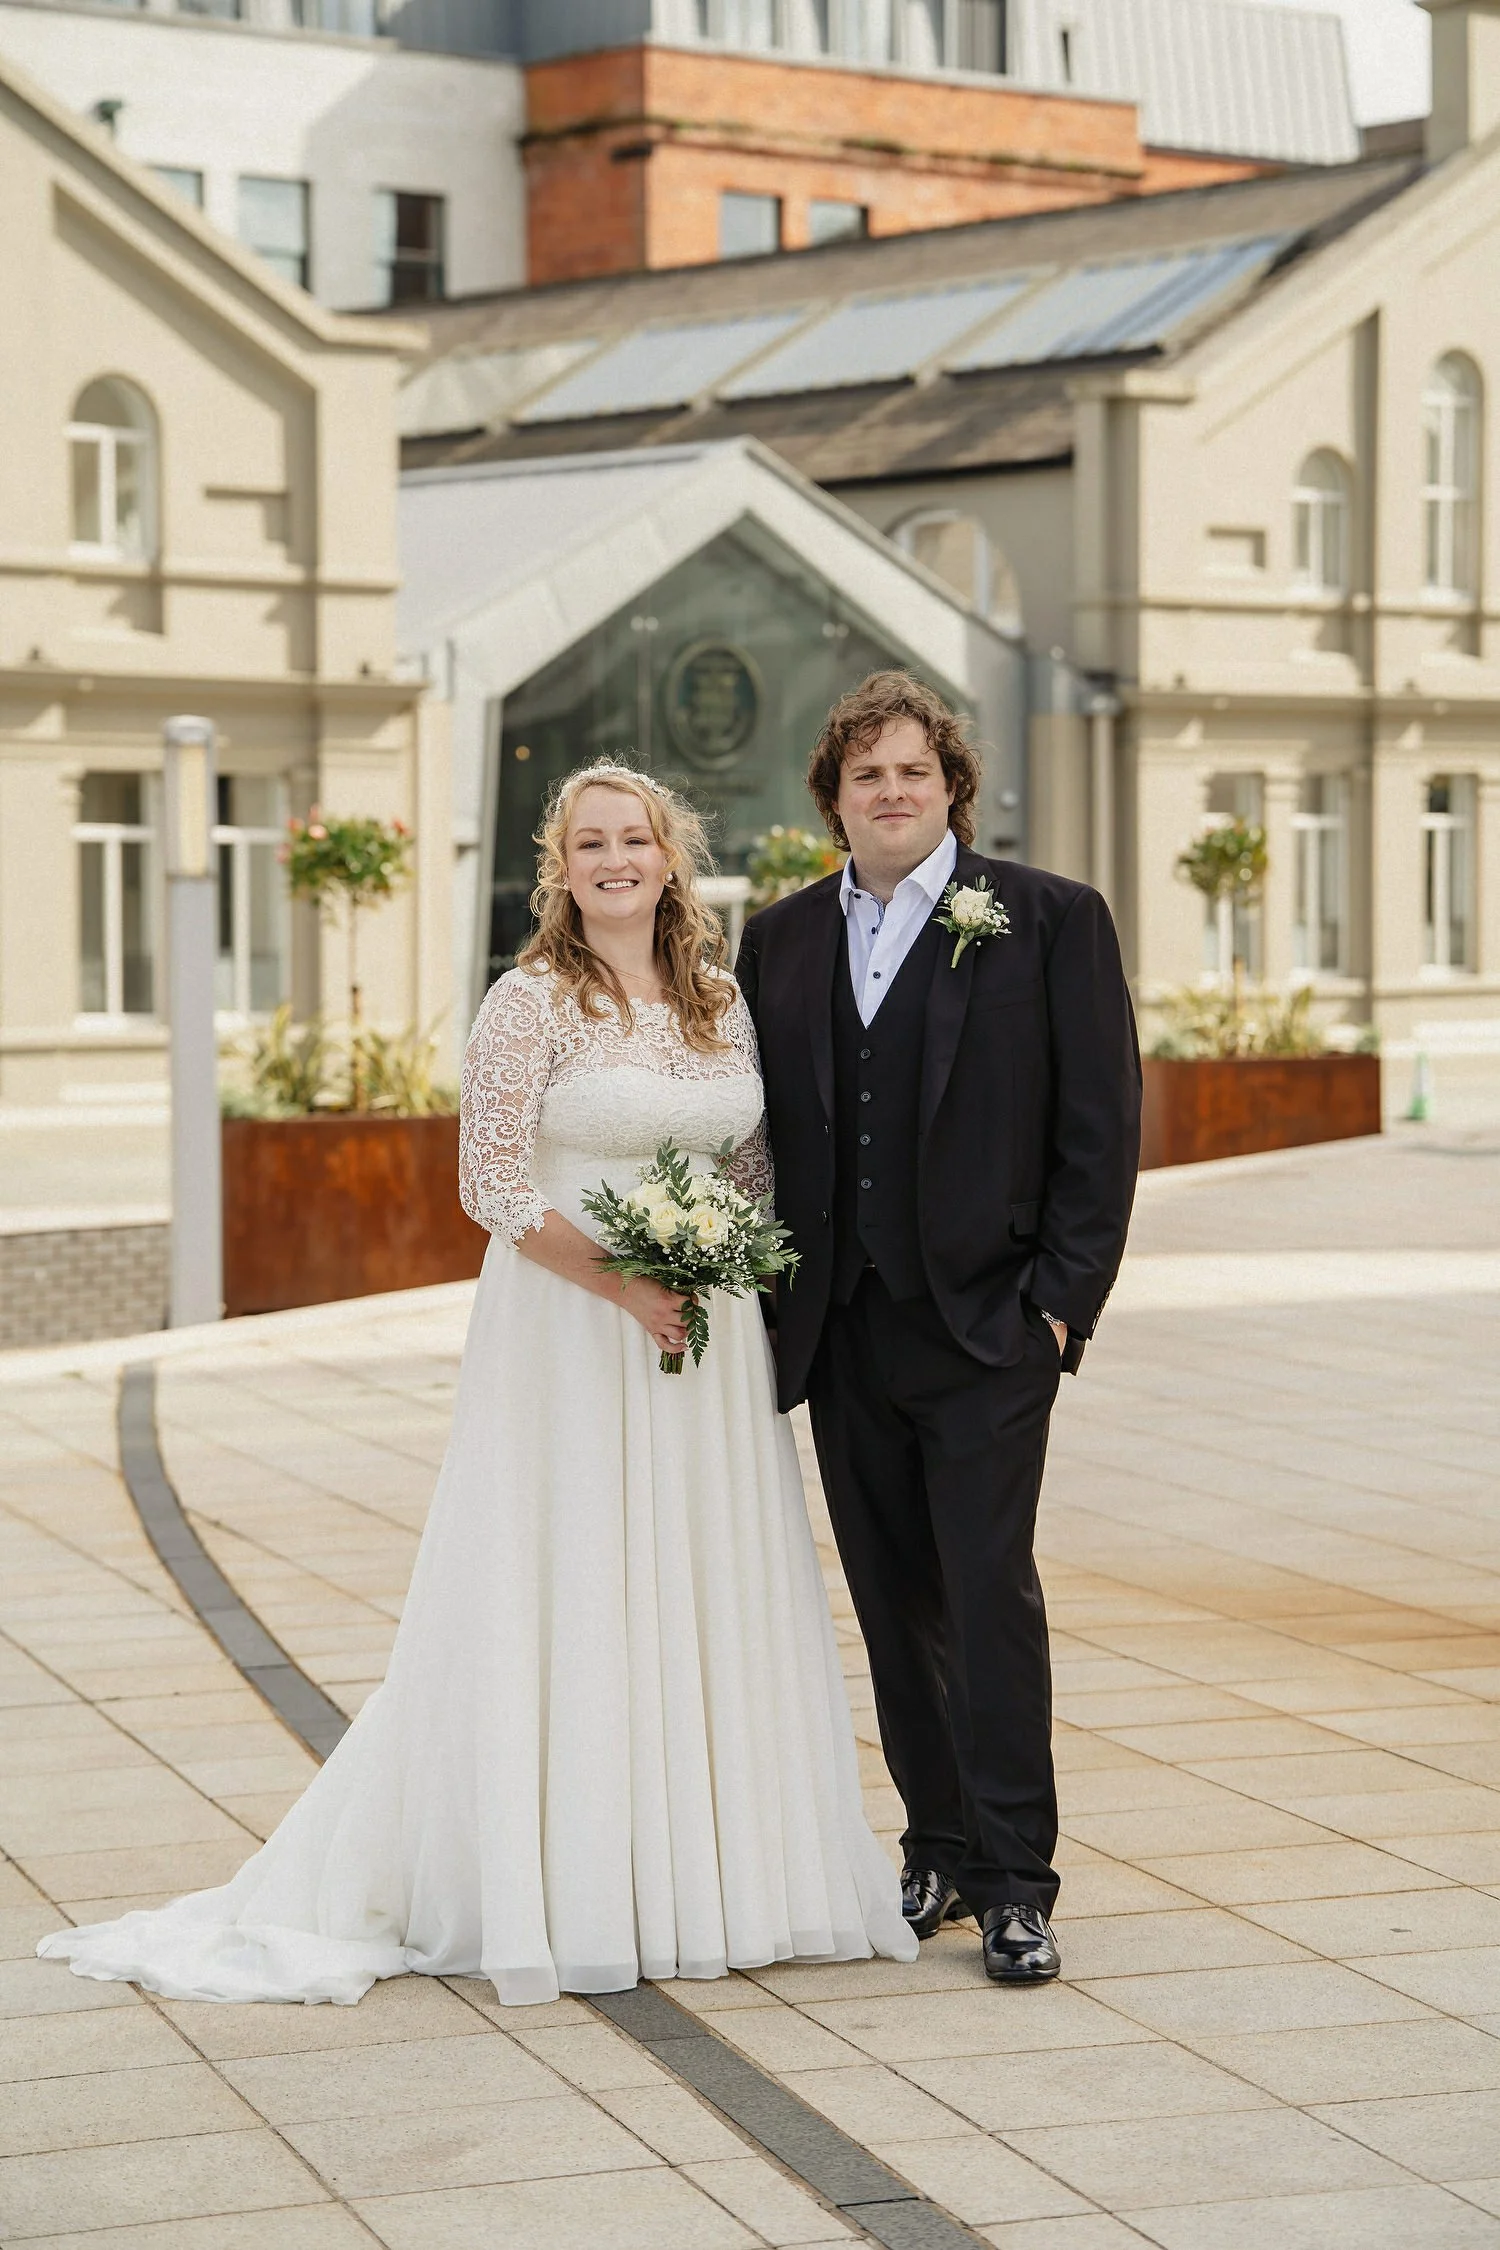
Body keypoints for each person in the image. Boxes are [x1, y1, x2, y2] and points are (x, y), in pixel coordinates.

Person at [38, 760, 915, 2006]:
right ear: (558, 869)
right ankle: (569, 1879)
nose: (614, 859)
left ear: (671, 856)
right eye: (588, 843)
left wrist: (724, 1266)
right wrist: (625, 1280)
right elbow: (492, 1185)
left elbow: (757, 1164)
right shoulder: (529, 1002)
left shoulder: (721, 996)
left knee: (699, 1578)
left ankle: (724, 1876)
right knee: (573, 1581)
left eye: (635, 839)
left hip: (704, 1349)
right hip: (574, 1334)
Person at [736, 673, 1140, 1985]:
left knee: (988, 1597)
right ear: (834, 797)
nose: (891, 791)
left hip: (986, 1330)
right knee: (891, 1602)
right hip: (841, 1329)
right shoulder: (780, 939)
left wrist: (1059, 1307)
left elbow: (1101, 1128)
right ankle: (941, 1847)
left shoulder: (1049, 920)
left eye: (913, 770)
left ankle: (1020, 1881)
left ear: (951, 783)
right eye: (867, 776)